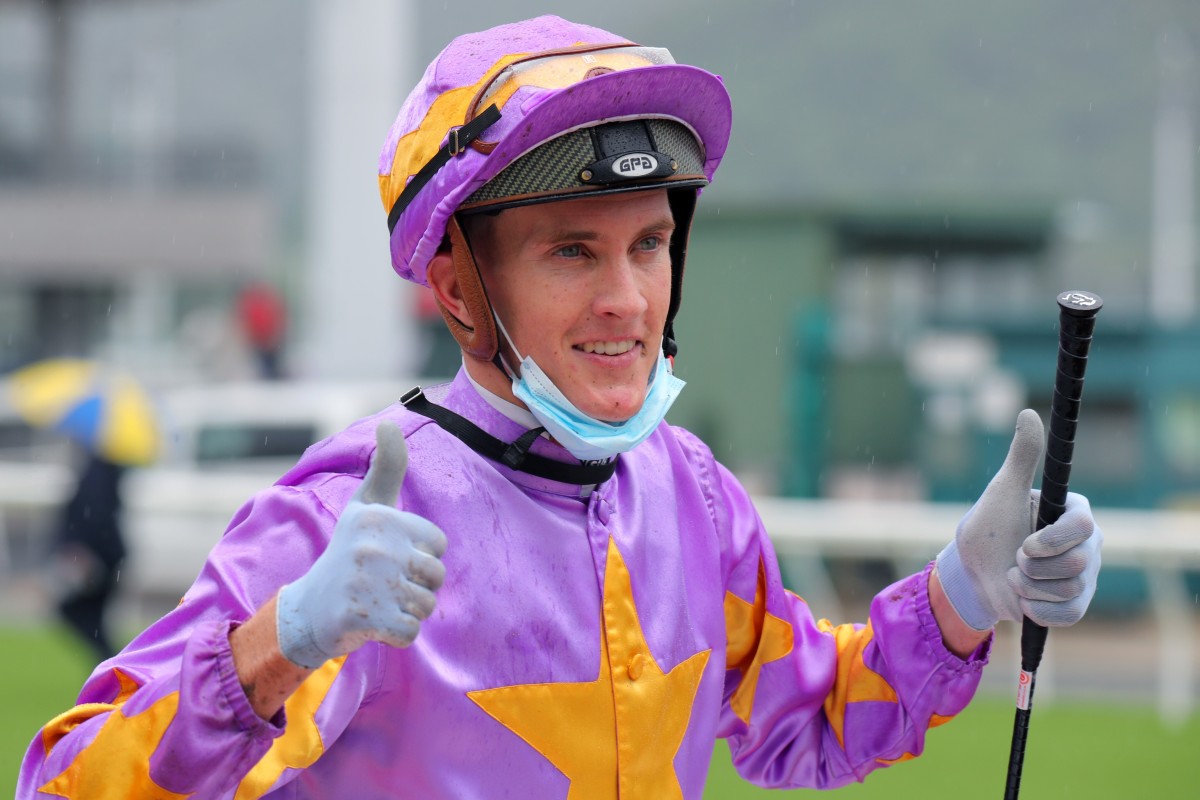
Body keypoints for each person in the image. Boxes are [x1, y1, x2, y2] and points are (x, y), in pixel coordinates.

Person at [17, 16, 1102, 799]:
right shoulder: (346, 524)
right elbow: (65, 782)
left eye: (649, 245)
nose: (626, 299)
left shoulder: (694, 494)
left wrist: (967, 588)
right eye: (571, 251)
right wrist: (282, 638)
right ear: (456, 289)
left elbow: (809, 723)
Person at [47, 450, 127, 664]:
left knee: (76, 613)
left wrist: (83, 551)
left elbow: (94, 515)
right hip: (105, 555)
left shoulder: (100, 469)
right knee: (92, 621)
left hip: (97, 558)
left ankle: (113, 665)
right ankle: (112, 666)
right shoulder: (106, 468)